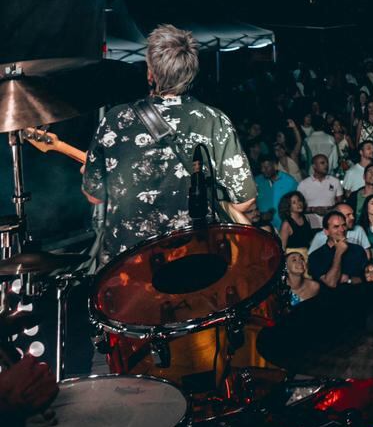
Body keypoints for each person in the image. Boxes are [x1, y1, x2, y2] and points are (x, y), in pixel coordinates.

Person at [82, 24, 257, 269]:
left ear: (150, 73)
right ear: (191, 74)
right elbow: (244, 201)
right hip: (195, 260)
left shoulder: (115, 120)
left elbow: (94, 195)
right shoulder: (213, 121)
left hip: (128, 266)